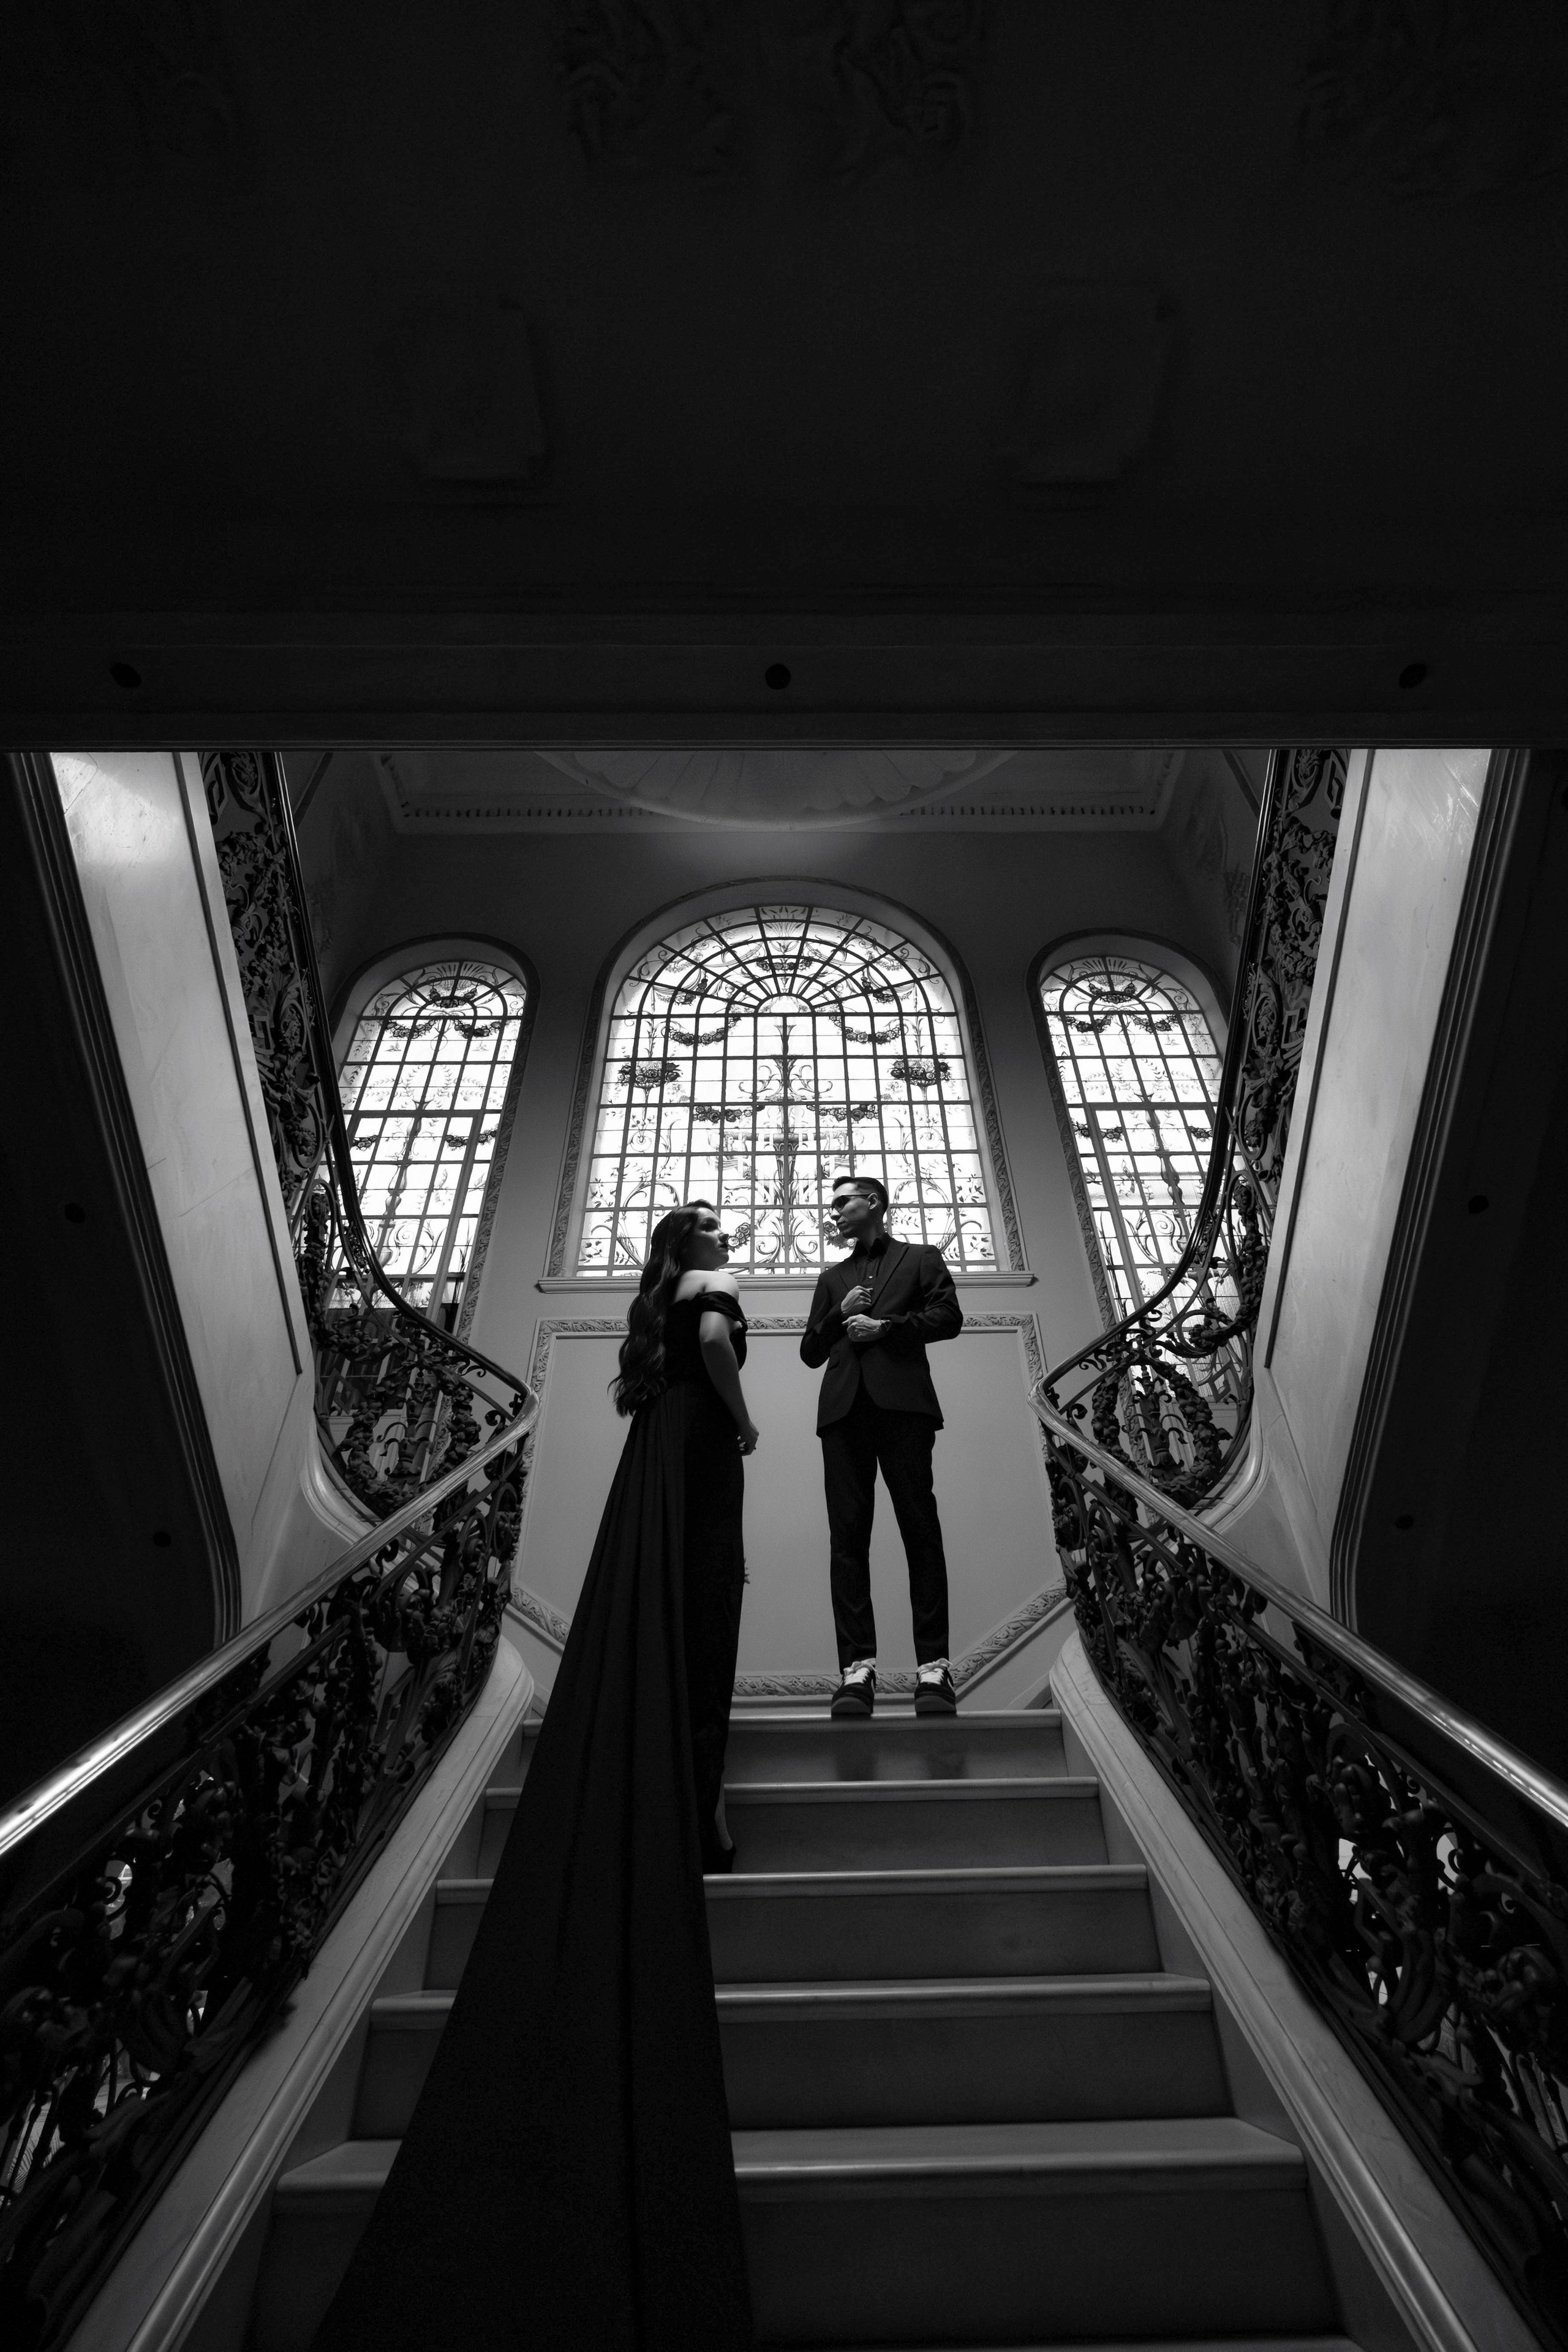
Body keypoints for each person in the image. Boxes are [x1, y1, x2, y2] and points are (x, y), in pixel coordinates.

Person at [309, 1200, 757, 2352]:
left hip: (658, 1452)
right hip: (702, 1447)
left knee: (687, 1598)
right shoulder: (703, 1300)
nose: (723, 1233)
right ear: (687, 1245)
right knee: (707, 1601)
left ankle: (679, 1774)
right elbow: (716, 1347)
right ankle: (692, 1798)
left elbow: (676, 1351)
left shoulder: (648, 1309)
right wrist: (749, 1424)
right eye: (709, 1224)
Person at [800, 1173, 963, 1717]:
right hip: (843, 1416)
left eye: (842, 1201)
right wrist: (838, 1312)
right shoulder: (831, 1277)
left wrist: (886, 1327)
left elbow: (948, 1318)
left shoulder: (920, 1257)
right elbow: (810, 1352)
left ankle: (934, 1670)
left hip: (904, 1412)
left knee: (922, 1532)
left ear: (874, 1203)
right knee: (847, 1541)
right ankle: (857, 1671)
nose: (835, 1211)